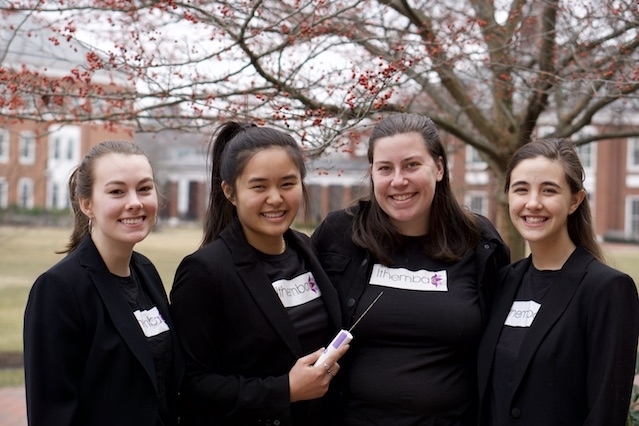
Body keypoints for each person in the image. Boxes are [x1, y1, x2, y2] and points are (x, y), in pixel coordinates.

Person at [311, 113, 511, 425]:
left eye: (412, 165)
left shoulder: (480, 243)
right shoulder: (339, 235)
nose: (398, 180)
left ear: (440, 168)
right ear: (372, 173)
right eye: (385, 168)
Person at [169, 122, 348, 425]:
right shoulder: (205, 272)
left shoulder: (306, 249)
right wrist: (284, 391)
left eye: (288, 184)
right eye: (259, 186)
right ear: (230, 191)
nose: (276, 198)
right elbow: (189, 386)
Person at [477, 138, 639, 425]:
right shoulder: (502, 282)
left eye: (549, 190)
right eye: (521, 189)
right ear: (508, 196)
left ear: (575, 200)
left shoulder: (606, 290)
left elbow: (605, 413)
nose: (533, 203)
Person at [23, 141, 183, 426]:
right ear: (87, 205)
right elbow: (52, 414)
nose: (134, 201)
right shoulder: (58, 290)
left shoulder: (146, 271)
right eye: (117, 191)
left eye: (144, 188)